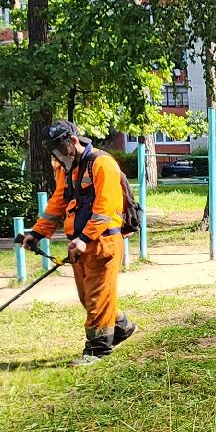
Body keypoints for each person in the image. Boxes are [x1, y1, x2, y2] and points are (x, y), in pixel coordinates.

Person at [20, 121, 135, 364]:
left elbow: (106, 208)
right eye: (54, 152)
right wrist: (37, 233)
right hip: (80, 246)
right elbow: (57, 203)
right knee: (89, 298)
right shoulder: (67, 169)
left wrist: (84, 238)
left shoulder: (102, 164)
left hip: (103, 243)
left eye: (60, 150)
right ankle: (121, 327)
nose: (57, 156)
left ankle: (97, 349)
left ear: (73, 141)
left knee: (96, 298)